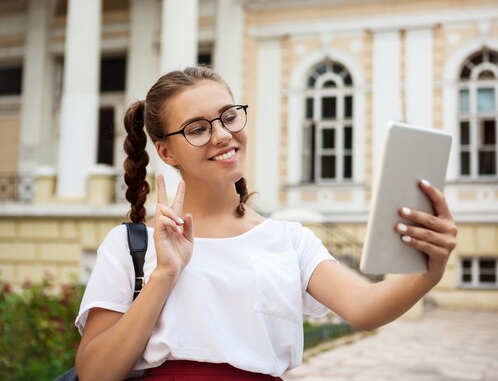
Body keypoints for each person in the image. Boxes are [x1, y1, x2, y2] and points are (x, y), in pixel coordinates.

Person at [74, 66, 457, 381]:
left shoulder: (289, 240)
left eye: (228, 116)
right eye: (197, 128)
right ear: (165, 151)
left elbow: (365, 308)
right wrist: (164, 276)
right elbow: (94, 373)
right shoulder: (131, 246)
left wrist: (428, 271)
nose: (223, 135)